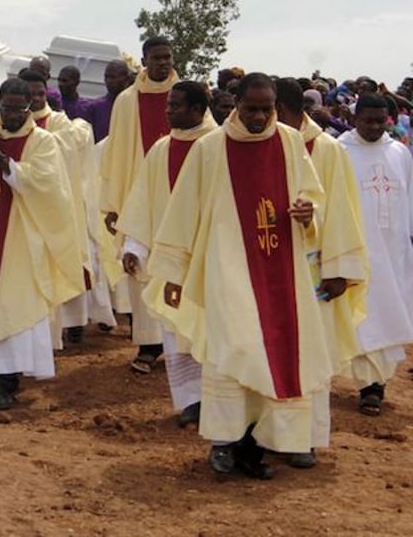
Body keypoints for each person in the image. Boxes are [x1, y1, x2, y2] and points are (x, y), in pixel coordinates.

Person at [145, 73, 331, 480]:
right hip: (227, 268)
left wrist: (307, 213)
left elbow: (312, 196)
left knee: (278, 350)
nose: (260, 117)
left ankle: (257, 446)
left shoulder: (289, 141)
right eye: (251, 109)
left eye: (267, 109)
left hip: (281, 267)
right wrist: (174, 275)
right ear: (235, 104)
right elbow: (183, 213)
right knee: (233, 351)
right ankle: (225, 443)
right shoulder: (210, 149)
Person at [0, 78, 84, 409]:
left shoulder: (43, 141)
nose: (9, 115)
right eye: (5, 108)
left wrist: (6, 163)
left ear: (29, 107)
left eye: (17, 109)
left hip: (21, 238)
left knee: (12, 304)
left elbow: (50, 187)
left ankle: (6, 381)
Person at [274, 77, 368, 465]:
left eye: (271, 111)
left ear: (287, 111)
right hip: (272, 265)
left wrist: (339, 269)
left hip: (315, 270)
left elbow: (343, 210)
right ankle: (271, 433)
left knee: (312, 350)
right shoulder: (259, 146)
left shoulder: (325, 149)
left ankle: (306, 438)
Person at [116, 81, 217, 427]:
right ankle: (192, 401)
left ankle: (219, 402)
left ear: (197, 109)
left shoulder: (218, 146)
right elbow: (144, 198)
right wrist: (134, 245)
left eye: (175, 105)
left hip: (209, 259)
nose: (167, 110)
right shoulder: (162, 148)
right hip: (172, 259)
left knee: (208, 329)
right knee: (177, 330)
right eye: (168, 104)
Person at [100, 36, 178, 372]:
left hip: (178, 198)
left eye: (167, 56)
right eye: (156, 57)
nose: (163, 62)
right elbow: (115, 153)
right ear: (144, 60)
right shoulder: (127, 101)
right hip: (138, 198)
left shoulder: (187, 96)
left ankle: (181, 343)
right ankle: (148, 344)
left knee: (178, 266)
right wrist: (114, 204)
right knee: (139, 266)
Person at [338, 93, 413, 416]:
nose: (373, 126)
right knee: (361, 314)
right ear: (355, 118)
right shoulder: (340, 151)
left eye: (379, 121)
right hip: (357, 247)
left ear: (388, 121)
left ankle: (376, 384)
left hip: (393, 249)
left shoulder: (399, 152)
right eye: (367, 120)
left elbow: (408, 196)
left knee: (388, 310)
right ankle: (368, 385)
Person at [19, 71, 92, 345]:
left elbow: (71, 150)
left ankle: (73, 323)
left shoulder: (60, 122)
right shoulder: (10, 124)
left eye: (40, 92)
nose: (36, 98)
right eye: (30, 94)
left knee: (62, 257)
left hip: (58, 201)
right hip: (27, 204)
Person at [78, 60, 132, 142]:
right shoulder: (94, 108)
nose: (109, 81)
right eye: (106, 77)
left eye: (113, 77)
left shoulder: (135, 106)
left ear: (126, 79)